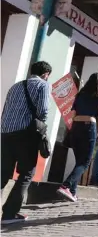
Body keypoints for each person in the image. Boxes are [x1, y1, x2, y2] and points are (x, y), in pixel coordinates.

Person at [1, 61, 52, 224]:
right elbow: (43, 111)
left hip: (5, 133)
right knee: (26, 173)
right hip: (26, 135)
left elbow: (6, 109)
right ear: (46, 74)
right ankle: (9, 214)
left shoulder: (15, 86)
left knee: (2, 173)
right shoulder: (43, 85)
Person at [57, 73, 98, 202]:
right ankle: (66, 185)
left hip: (76, 126)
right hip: (89, 126)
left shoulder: (79, 95)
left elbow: (73, 115)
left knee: (79, 160)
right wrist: (96, 133)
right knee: (85, 162)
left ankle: (72, 192)